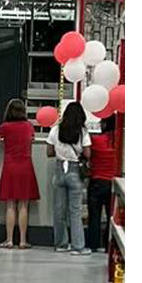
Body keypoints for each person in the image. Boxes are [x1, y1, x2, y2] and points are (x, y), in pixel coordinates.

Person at [0, 98, 40, 249]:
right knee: (24, 204)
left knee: (10, 204)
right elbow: (32, 138)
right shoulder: (28, 126)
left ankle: (9, 240)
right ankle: (22, 240)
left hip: (10, 166)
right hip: (26, 166)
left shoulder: (5, 127)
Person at [46, 101, 92, 255]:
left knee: (59, 211)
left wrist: (61, 152)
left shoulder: (55, 130)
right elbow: (87, 154)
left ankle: (61, 244)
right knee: (75, 211)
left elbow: (49, 152)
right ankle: (78, 247)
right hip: (74, 171)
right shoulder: (82, 132)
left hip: (59, 170)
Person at [87, 115, 116, 252]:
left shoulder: (95, 140)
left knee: (94, 216)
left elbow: (88, 155)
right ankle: (108, 245)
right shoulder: (119, 143)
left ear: (104, 124)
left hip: (96, 180)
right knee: (111, 216)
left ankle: (93, 244)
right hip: (113, 184)